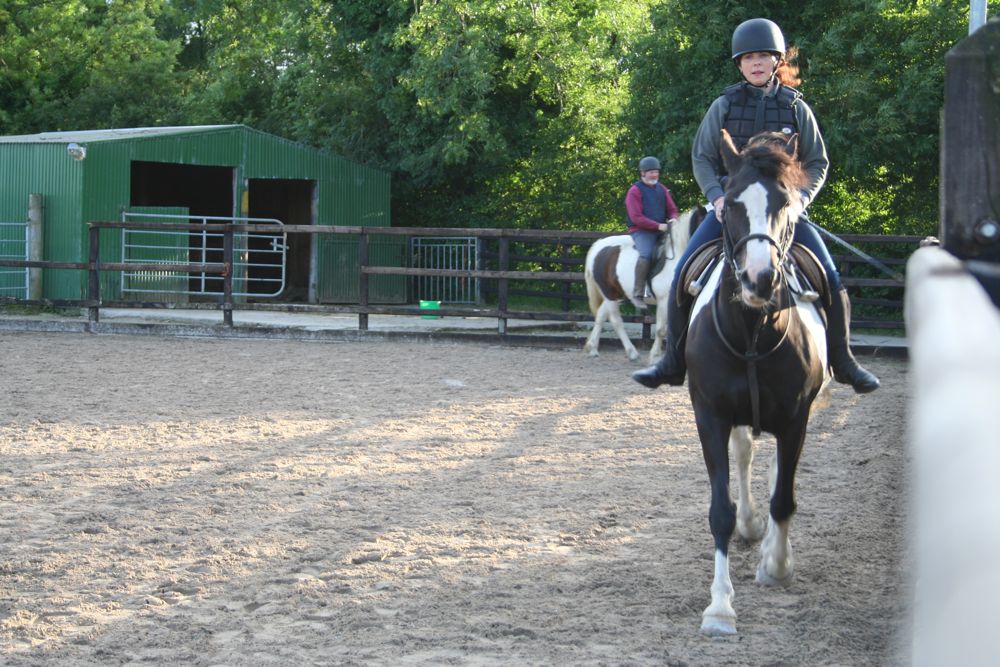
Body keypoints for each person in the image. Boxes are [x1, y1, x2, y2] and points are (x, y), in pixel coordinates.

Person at [633, 17, 880, 393]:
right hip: (731, 211)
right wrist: (716, 197)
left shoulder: (796, 108)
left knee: (830, 277)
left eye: (763, 56)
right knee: (682, 272)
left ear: (777, 61)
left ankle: (844, 362)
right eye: (748, 58)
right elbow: (702, 158)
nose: (756, 63)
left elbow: (817, 162)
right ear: (740, 64)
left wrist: (800, 199)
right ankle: (671, 362)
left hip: (783, 213)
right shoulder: (723, 105)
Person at [624, 156, 680, 310]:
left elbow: (672, 209)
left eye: (656, 172)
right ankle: (638, 293)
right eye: (651, 172)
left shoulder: (662, 189)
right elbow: (636, 217)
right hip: (641, 231)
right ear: (643, 173)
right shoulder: (634, 191)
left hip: (661, 229)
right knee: (646, 254)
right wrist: (658, 226)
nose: (654, 175)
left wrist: (673, 219)